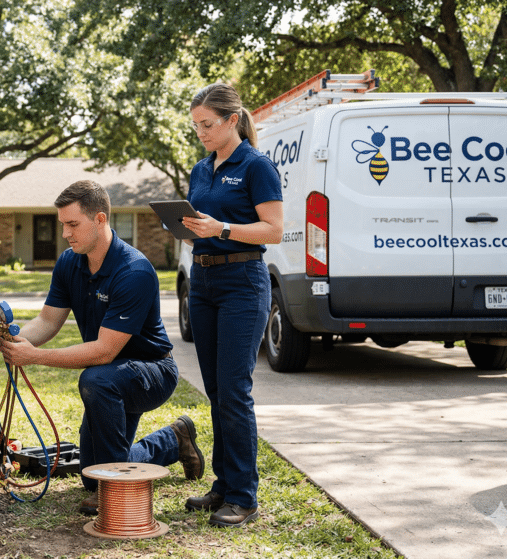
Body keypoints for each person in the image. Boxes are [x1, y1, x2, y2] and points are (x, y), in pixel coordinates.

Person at [0, 180, 203, 516]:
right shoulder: (69, 262)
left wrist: (35, 356)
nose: (65, 234)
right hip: (111, 374)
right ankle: (173, 440)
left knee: (96, 379)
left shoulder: (134, 270)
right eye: (63, 225)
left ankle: (114, 483)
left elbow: (104, 352)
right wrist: (18, 339)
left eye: (73, 224)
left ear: (100, 220)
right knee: (93, 474)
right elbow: (47, 321)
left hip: (152, 372)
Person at [179, 83, 284, 528]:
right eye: (195, 126)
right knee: (217, 391)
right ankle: (223, 485)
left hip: (243, 281)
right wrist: (187, 228)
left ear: (232, 120)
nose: (200, 132)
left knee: (235, 392)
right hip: (202, 280)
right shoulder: (202, 170)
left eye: (207, 124)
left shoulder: (257, 166)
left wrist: (221, 228)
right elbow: (200, 226)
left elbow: (273, 230)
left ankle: (243, 495)